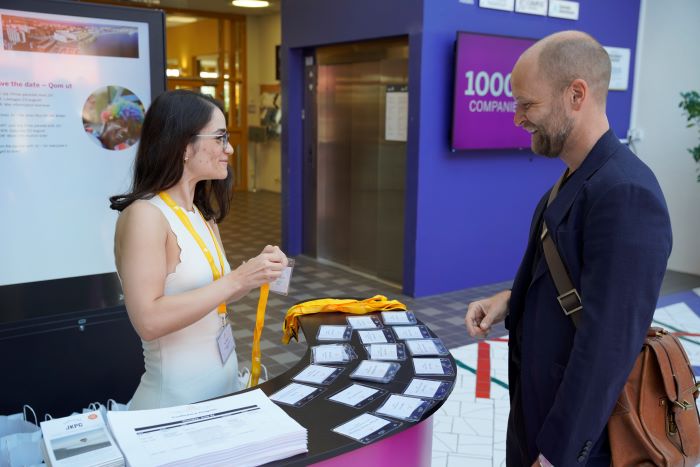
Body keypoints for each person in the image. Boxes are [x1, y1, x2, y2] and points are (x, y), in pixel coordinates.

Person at [464, 31, 672, 467]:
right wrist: (510, 300)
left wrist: (556, 455)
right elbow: (575, 284)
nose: (518, 119)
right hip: (537, 411)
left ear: (576, 94)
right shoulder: (577, 179)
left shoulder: (626, 193)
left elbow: (608, 346)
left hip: (577, 442)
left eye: (527, 104)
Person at [110, 89, 288, 410]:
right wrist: (238, 279)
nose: (229, 148)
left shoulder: (201, 215)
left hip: (220, 392)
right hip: (173, 407)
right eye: (220, 138)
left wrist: (255, 272)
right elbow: (148, 320)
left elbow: (215, 294)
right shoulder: (145, 216)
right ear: (183, 145)